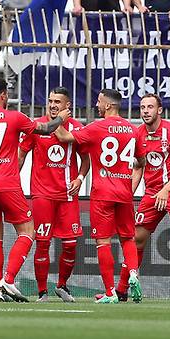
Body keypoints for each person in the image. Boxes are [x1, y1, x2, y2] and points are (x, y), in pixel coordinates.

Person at [0, 78, 71, 302]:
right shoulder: (13, 117)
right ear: (3, 95)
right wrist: (60, 118)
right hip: (5, 182)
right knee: (27, 231)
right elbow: (45, 129)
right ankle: (9, 280)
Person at [112, 94, 170, 303]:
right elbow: (138, 167)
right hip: (151, 194)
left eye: (150, 107)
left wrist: (166, 190)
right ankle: (122, 290)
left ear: (159, 110)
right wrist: (127, 195)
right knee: (136, 238)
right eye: (142, 107)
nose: (145, 111)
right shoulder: (137, 135)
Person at [54, 89, 142, 304]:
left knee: (103, 242)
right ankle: (133, 275)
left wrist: (58, 119)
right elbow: (141, 161)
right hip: (124, 191)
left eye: (100, 101)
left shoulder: (96, 127)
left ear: (109, 105)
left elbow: (64, 137)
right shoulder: (133, 130)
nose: (97, 104)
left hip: (102, 193)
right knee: (128, 238)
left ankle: (110, 292)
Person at [18, 87, 90, 303]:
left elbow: (86, 158)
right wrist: (13, 181)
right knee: (42, 243)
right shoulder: (37, 126)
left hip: (67, 195)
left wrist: (79, 178)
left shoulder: (77, 128)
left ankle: (62, 285)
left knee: (70, 244)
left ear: (68, 106)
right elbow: (21, 154)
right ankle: (42, 292)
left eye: (58, 101)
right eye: (50, 101)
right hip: (42, 195)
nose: (52, 105)